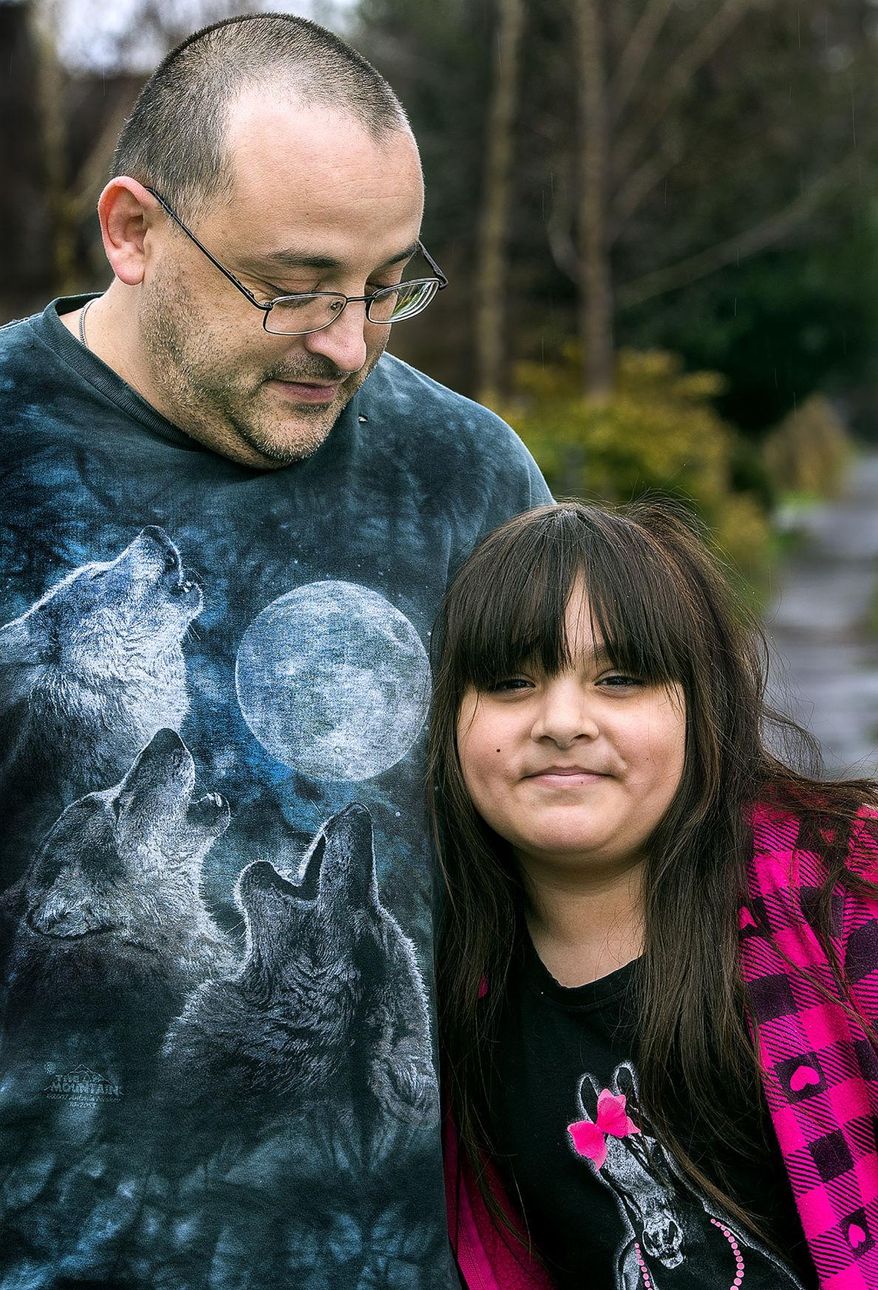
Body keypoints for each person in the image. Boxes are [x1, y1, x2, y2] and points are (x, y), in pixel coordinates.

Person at [0, 14, 549, 1289]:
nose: (346, 341)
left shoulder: (466, 476)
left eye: (384, 285)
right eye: (291, 284)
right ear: (132, 231)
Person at [428, 500, 878, 1290]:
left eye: (620, 678)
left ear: (703, 704)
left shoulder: (845, 880)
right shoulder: (451, 987)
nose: (562, 721)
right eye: (509, 682)